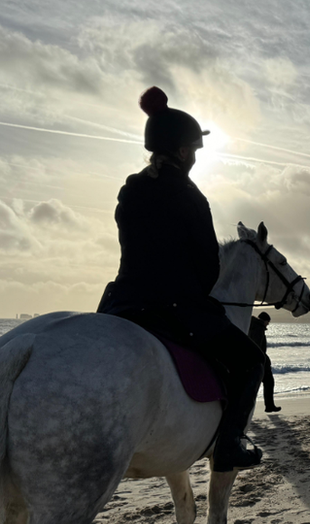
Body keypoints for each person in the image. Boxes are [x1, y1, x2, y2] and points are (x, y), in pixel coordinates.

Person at [97, 86, 265, 469]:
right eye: (196, 151)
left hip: (122, 301)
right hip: (175, 308)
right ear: (184, 152)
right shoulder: (191, 196)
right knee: (252, 362)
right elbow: (208, 265)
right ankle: (229, 447)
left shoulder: (131, 189)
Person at [249, 311, 281, 413]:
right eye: (268, 322)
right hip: (260, 363)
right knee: (268, 383)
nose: (268, 324)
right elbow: (258, 347)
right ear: (265, 321)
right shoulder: (259, 329)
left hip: (254, 362)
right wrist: (265, 361)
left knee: (253, 386)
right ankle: (269, 406)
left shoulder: (252, 327)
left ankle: (267, 406)